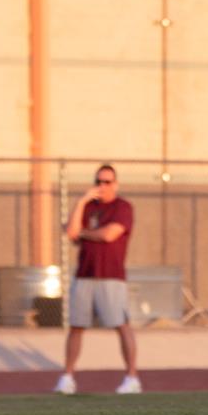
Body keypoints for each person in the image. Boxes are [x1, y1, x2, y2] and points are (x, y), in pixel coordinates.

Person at [52, 164, 140, 395]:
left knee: (121, 325)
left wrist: (81, 232)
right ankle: (67, 377)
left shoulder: (122, 207)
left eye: (107, 182)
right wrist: (81, 202)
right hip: (84, 275)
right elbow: (70, 232)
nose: (102, 186)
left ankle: (132, 377)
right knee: (77, 326)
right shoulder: (88, 207)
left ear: (115, 184)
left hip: (111, 276)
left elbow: (109, 234)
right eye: (98, 181)